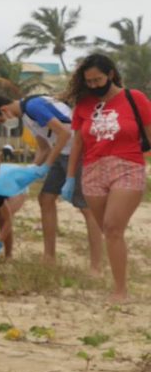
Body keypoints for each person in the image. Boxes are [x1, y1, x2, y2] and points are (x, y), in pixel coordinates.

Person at [64, 54, 151, 302]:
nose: (93, 85)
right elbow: (78, 144)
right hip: (92, 170)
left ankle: (120, 291)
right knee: (109, 231)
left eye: (97, 79)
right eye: (88, 81)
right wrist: (70, 178)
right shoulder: (83, 105)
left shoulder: (135, 99)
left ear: (110, 74)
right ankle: (119, 280)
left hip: (128, 165)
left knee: (113, 227)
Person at [0, 94, 100, 270]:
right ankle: (49, 257)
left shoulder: (33, 106)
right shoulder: (26, 117)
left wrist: (47, 165)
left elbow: (64, 133)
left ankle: (96, 265)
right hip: (61, 153)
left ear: (4, 109)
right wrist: (29, 172)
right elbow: (44, 148)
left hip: (79, 151)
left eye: (0, 120)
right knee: (45, 199)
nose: (3, 123)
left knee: (86, 207)